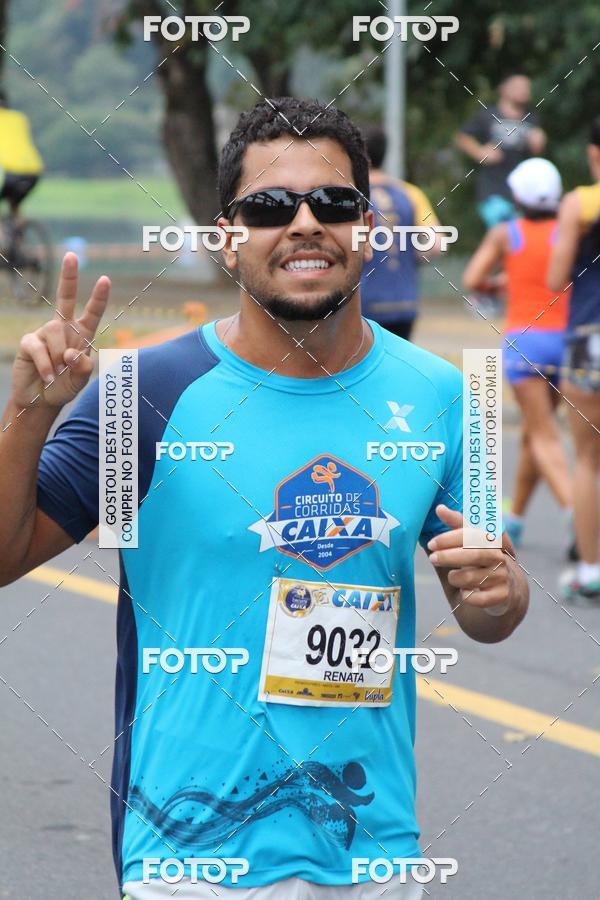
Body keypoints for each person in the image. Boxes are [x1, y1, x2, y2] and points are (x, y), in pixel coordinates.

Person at [0, 97, 529, 899]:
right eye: (271, 206)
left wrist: (504, 593)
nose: (306, 223)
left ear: (368, 228)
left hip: (373, 853)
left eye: (335, 203)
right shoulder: (142, 394)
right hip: (188, 859)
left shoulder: (452, 398)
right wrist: (28, 415)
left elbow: (490, 609)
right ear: (226, 238)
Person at [463, 158, 573, 551]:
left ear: (517, 197)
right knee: (533, 432)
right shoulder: (570, 231)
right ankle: (518, 518)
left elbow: (472, 279)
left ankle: (576, 513)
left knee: (542, 434)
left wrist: (502, 284)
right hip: (566, 342)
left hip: (525, 344)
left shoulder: (505, 234)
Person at [548, 117, 600, 603]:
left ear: (593, 154)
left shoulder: (581, 203)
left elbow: (555, 277)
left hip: (589, 337)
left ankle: (591, 570)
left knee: (588, 459)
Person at [359, 125, 441, 341]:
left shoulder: (351, 193)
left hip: (362, 305)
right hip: (404, 303)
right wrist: (407, 253)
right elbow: (437, 244)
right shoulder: (410, 193)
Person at [455, 75, 546, 228]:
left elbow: (536, 154)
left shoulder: (531, 118)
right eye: (518, 87)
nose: (524, 91)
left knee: (519, 235)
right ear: (504, 89)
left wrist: (538, 143)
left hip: (521, 193)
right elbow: (462, 137)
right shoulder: (487, 114)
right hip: (493, 190)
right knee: (502, 232)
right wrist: (479, 152)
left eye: (527, 87)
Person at [0, 88, 43, 215]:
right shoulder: (20, 118)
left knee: (9, 196)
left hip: (11, 172)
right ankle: (19, 224)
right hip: (33, 173)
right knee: (14, 204)